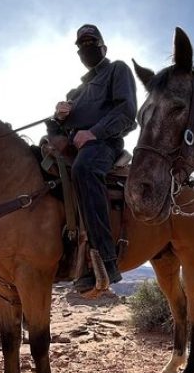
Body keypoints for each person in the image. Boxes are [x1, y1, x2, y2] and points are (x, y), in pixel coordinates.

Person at [47, 24, 137, 292]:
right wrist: (57, 118)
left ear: (103, 47)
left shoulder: (116, 70)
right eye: (81, 46)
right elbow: (60, 131)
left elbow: (127, 112)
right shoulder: (74, 93)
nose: (86, 49)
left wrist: (94, 133)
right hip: (73, 147)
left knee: (85, 169)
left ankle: (105, 260)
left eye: (91, 43)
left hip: (104, 145)